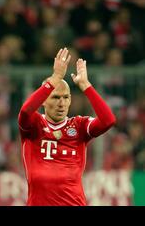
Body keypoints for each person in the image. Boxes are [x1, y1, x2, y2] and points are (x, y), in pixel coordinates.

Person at [18, 48, 116, 206]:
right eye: (56, 97)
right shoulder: (34, 124)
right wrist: (56, 77)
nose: (61, 103)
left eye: (66, 98)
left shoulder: (79, 126)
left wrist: (85, 85)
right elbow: (24, 111)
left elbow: (108, 120)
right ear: (44, 100)